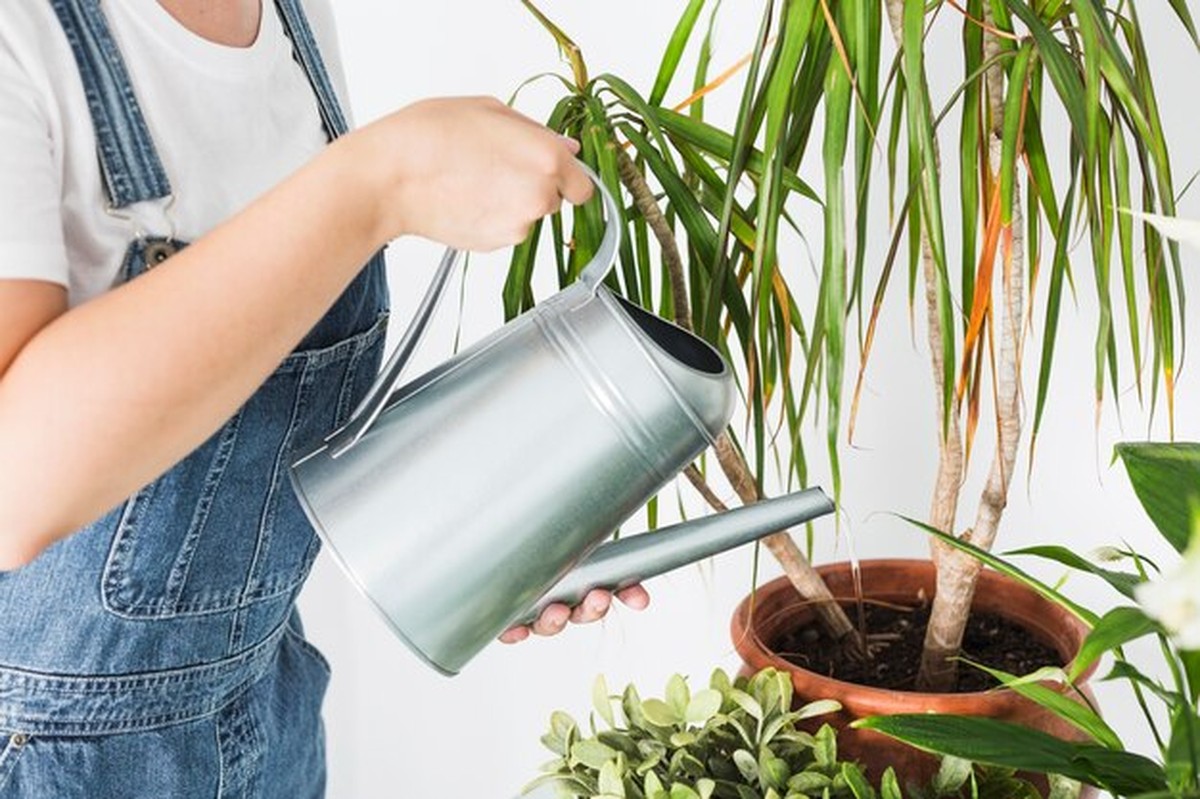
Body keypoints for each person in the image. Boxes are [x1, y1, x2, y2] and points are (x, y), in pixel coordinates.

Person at [0, 0, 648, 795]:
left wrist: (491, 528)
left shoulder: (287, 15)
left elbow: (250, 425)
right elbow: (12, 489)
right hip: (46, 758)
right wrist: (377, 183)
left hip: (269, 718)